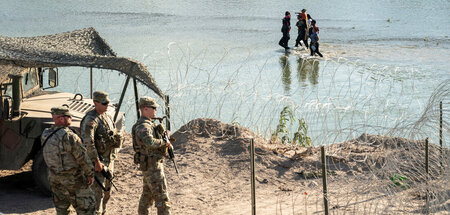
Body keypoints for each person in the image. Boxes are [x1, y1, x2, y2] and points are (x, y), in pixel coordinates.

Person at [41, 106, 95, 215]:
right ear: (61, 118)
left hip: (54, 178)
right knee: (87, 208)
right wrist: (90, 174)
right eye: (69, 116)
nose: (71, 118)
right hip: (73, 179)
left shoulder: (46, 134)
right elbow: (82, 157)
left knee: (62, 209)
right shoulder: (69, 136)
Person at [80, 91, 123, 215]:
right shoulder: (90, 120)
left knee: (106, 192)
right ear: (95, 103)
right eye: (104, 103)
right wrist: (96, 161)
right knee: (96, 196)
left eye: (108, 103)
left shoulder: (107, 116)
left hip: (109, 161)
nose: (107, 105)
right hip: (98, 164)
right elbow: (88, 142)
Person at [132, 96, 172, 215]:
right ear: (145, 109)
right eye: (153, 108)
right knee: (162, 198)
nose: (155, 110)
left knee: (147, 195)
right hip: (152, 166)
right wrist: (164, 142)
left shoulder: (148, 124)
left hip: (150, 164)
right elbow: (149, 142)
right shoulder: (143, 126)